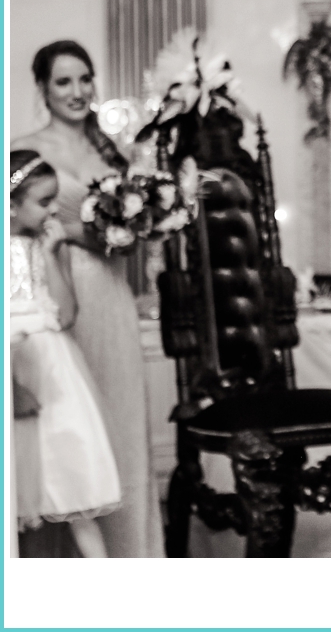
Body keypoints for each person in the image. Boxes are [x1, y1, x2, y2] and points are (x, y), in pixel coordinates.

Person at [13, 41, 165, 558]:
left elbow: (133, 233)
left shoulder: (113, 152)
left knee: (118, 425)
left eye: (85, 79)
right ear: (43, 89)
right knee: (62, 436)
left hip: (111, 294)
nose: (78, 92)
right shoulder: (25, 150)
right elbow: (19, 234)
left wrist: (146, 221)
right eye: (63, 82)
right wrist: (82, 233)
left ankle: (128, 557)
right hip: (59, 299)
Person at [9, 150, 121, 557]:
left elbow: (66, 315)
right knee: (15, 490)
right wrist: (13, 386)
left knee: (72, 482)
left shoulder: (43, 245)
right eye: (44, 201)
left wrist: (53, 253)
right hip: (15, 370)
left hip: (55, 373)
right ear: (10, 204)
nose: (55, 209)